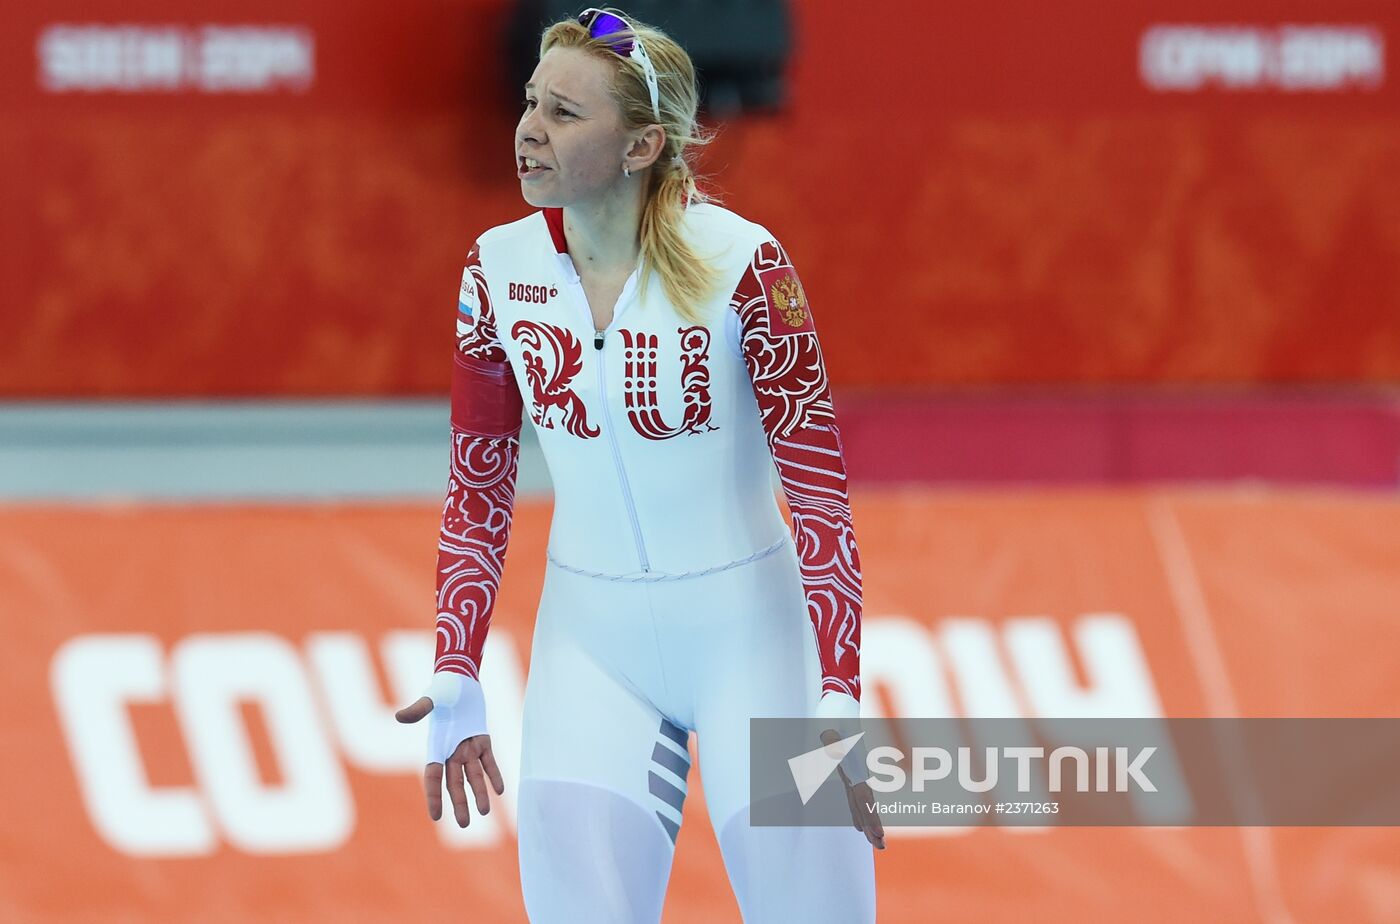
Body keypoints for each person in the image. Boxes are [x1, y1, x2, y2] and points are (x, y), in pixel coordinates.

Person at [395, 7, 882, 922]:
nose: (529, 128)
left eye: (566, 113)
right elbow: (478, 486)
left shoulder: (745, 265)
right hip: (592, 646)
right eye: (531, 101)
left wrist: (840, 687)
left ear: (642, 144)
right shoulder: (495, 270)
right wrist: (457, 664)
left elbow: (819, 499)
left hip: (756, 645)